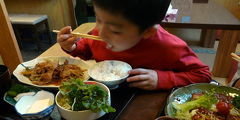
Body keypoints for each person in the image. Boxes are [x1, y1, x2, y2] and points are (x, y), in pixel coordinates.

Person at [57, 0, 212, 90]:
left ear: (147, 32)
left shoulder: (168, 46)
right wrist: (73, 47)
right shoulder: (101, 31)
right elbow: (89, 47)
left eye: (115, 30)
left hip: (145, 102)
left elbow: (203, 74)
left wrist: (162, 79)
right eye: (98, 19)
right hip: (106, 92)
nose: (101, 33)